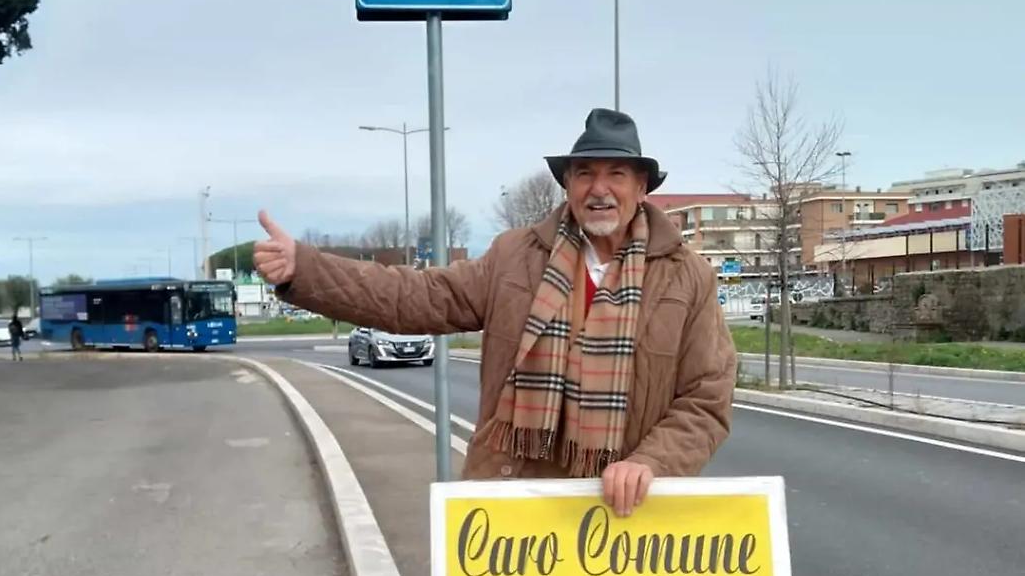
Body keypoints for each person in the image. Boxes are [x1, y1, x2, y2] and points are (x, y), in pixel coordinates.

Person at [253, 108, 737, 517]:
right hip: (516, 507)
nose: (599, 188)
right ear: (567, 185)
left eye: (616, 173)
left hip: (623, 513)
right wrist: (306, 268)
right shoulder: (515, 257)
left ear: (641, 187)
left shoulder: (687, 276)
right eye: (585, 173)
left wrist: (652, 462)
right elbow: (414, 296)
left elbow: (706, 398)